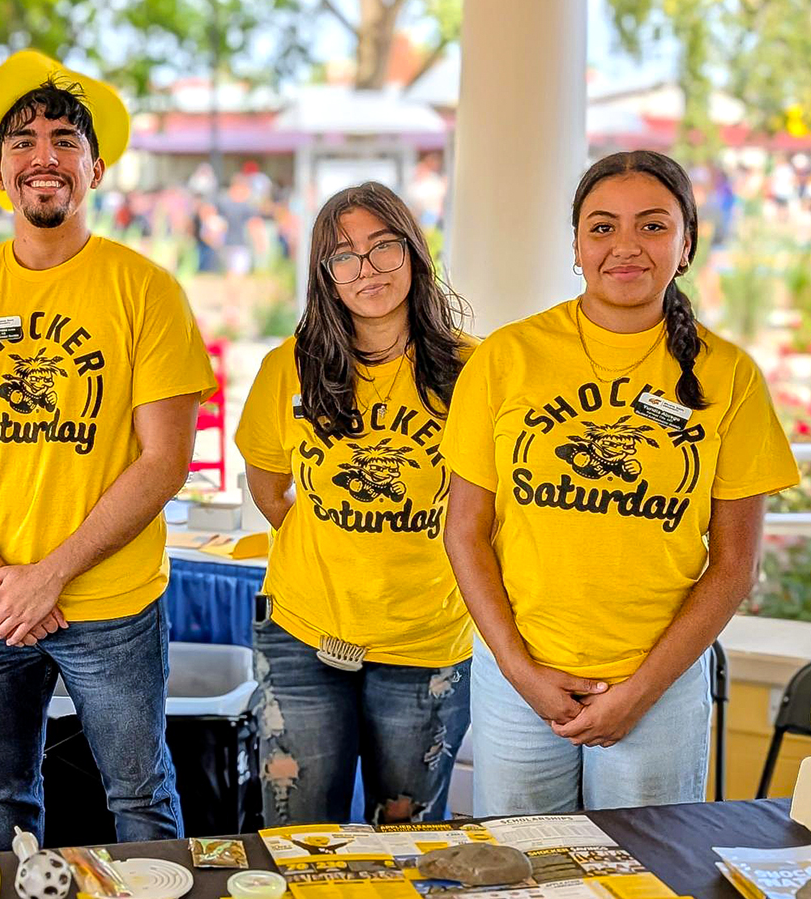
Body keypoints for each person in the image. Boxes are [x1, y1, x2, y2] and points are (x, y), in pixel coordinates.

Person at [0, 50, 216, 848]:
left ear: (96, 167)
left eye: (66, 139)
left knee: (139, 795)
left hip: (108, 605)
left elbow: (163, 460)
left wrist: (50, 576)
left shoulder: (144, 290)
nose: (45, 155)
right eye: (24, 140)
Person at [442, 150, 798, 814]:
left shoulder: (731, 376)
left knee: (646, 876)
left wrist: (640, 690)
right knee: (522, 873)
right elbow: (464, 532)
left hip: (657, 687)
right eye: (602, 227)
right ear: (576, 245)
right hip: (520, 679)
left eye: (653, 226)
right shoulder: (506, 359)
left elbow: (734, 565)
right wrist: (522, 671)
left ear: (687, 242)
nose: (625, 245)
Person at [235, 181, 473, 826]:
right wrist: (328, 537)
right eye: (344, 256)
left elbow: (490, 512)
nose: (366, 269)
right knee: (298, 831)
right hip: (301, 630)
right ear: (325, 275)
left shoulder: (472, 373)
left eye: (383, 247)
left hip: (425, 639)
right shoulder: (289, 367)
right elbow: (266, 480)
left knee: (405, 837)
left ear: (414, 254)